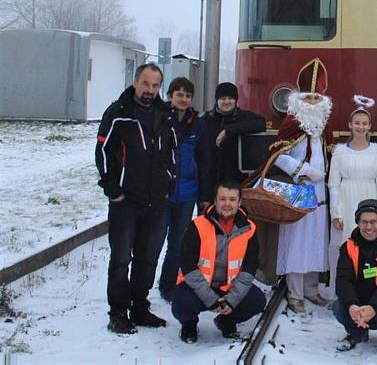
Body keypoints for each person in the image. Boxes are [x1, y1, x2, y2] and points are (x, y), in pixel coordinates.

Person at [95, 63, 177, 334]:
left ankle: (139, 308)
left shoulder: (165, 114)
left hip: (157, 200)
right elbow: (104, 151)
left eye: (155, 86)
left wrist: (169, 181)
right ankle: (118, 313)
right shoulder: (119, 112)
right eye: (146, 84)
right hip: (126, 201)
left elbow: (172, 151)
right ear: (135, 82)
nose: (150, 90)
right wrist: (113, 190)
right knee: (121, 259)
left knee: (148, 257)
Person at [263, 58, 334, 313]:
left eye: (316, 98)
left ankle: (311, 289)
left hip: (319, 192)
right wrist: (304, 171)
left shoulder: (324, 126)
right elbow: (277, 156)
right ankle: (294, 293)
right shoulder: (291, 124)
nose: (312, 102)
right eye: (308, 98)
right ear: (299, 100)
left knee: (317, 238)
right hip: (299, 189)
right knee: (296, 240)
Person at [171, 180, 266, 343]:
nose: (227, 204)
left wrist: (232, 299)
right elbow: (188, 267)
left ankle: (226, 321)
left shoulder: (249, 229)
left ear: (239, 203)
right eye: (222, 199)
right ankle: (189, 324)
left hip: (229, 288)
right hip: (200, 287)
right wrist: (210, 299)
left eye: (232, 199)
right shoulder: (198, 225)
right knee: (181, 301)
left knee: (257, 300)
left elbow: (249, 269)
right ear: (215, 201)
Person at [328, 95, 377, 295]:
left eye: (364, 124)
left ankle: (367, 290)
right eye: (357, 123)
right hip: (346, 202)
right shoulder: (340, 151)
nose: (360, 127)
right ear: (350, 125)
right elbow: (334, 184)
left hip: (369, 200)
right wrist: (336, 213)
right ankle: (341, 291)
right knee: (344, 248)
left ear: (369, 126)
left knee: (369, 249)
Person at [333, 199, 377, 358]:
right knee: (340, 307)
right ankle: (357, 333)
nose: (368, 227)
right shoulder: (348, 246)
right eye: (364, 222)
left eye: (373, 222)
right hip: (359, 302)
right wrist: (352, 306)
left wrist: (373, 308)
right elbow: (342, 280)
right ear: (358, 223)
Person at [157, 77, 208, 302]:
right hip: (162, 193)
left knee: (178, 242)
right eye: (179, 94)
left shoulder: (197, 123)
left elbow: (203, 159)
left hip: (187, 193)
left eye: (188, 95)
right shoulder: (159, 118)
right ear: (170, 96)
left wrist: (202, 193)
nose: (184, 99)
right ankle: (142, 282)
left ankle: (168, 285)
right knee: (154, 241)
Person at [200, 82, 266, 207]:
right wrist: (204, 195)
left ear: (236, 100)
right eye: (222, 98)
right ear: (217, 100)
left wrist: (229, 130)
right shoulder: (205, 121)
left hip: (236, 187)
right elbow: (202, 159)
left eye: (230, 98)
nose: (226, 102)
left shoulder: (244, 117)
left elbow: (261, 123)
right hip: (211, 187)